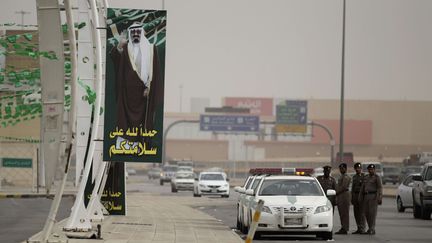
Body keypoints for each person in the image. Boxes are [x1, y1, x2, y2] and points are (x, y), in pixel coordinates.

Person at [110, 22, 163, 151]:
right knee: (125, 122)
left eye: (137, 31)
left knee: (143, 122)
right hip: (127, 95)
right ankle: (126, 145)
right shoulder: (126, 48)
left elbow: (155, 72)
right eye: (132, 32)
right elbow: (115, 59)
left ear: (142, 33)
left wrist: (150, 88)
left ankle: (142, 145)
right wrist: (119, 46)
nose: (135, 34)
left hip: (144, 94)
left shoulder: (151, 49)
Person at [359, 164, 383, 235]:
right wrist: (360, 197)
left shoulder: (377, 177)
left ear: (374, 170)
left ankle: (372, 229)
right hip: (366, 197)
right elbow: (362, 188)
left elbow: (379, 188)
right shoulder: (366, 177)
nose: (371, 170)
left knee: (372, 214)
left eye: (372, 169)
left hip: (373, 197)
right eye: (369, 169)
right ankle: (370, 228)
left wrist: (379, 197)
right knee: (366, 213)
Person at [335, 163, 351, 235]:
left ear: (345, 169)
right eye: (340, 169)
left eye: (343, 168)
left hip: (344, 195)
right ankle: (343, 227)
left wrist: (336, 192)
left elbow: (344, 187)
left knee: (345, 213)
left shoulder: (346, 177)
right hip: (340, 196)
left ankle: (345, 228)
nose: (341, 170)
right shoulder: (341, 176)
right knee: (341, 213)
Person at [351, 162, 366, 234]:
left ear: (361, 169)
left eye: (359, 168)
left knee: (362, 213)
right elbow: (353, 188)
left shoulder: (364, 177)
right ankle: (359, 227)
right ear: (355, 169)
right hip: (355, 196)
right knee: (356, 213)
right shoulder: (354, 177)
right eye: (356, 168)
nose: (358, 169)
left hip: (362, 196)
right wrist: (352, 197)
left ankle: (363, 228)